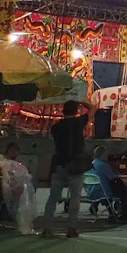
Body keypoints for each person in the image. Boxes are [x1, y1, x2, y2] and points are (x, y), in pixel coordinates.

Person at [40, 100, 92, 237]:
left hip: (59, 164)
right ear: (76, 111)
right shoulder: (79, 123)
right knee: (75, 197)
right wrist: (80, 101)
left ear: (63, 111)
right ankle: (71, 228)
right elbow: (93, 108)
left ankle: (47, 228)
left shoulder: (55, 128)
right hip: (75, 165)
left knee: (53, 197)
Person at [0, 141, 38, 234]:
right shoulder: (5, 164)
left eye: (16, 150)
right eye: (12, 150)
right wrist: (10, 188)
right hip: (9, 189)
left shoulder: (20, 165)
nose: (14, 152)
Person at [90, 145, 127, 219]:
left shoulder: (91, 165)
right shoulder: (104, 165)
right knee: (125, 190)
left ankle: (97, 206)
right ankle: (125, 214)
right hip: (104, 192)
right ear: (103, 155)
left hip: (91, 191)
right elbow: (113, 178)